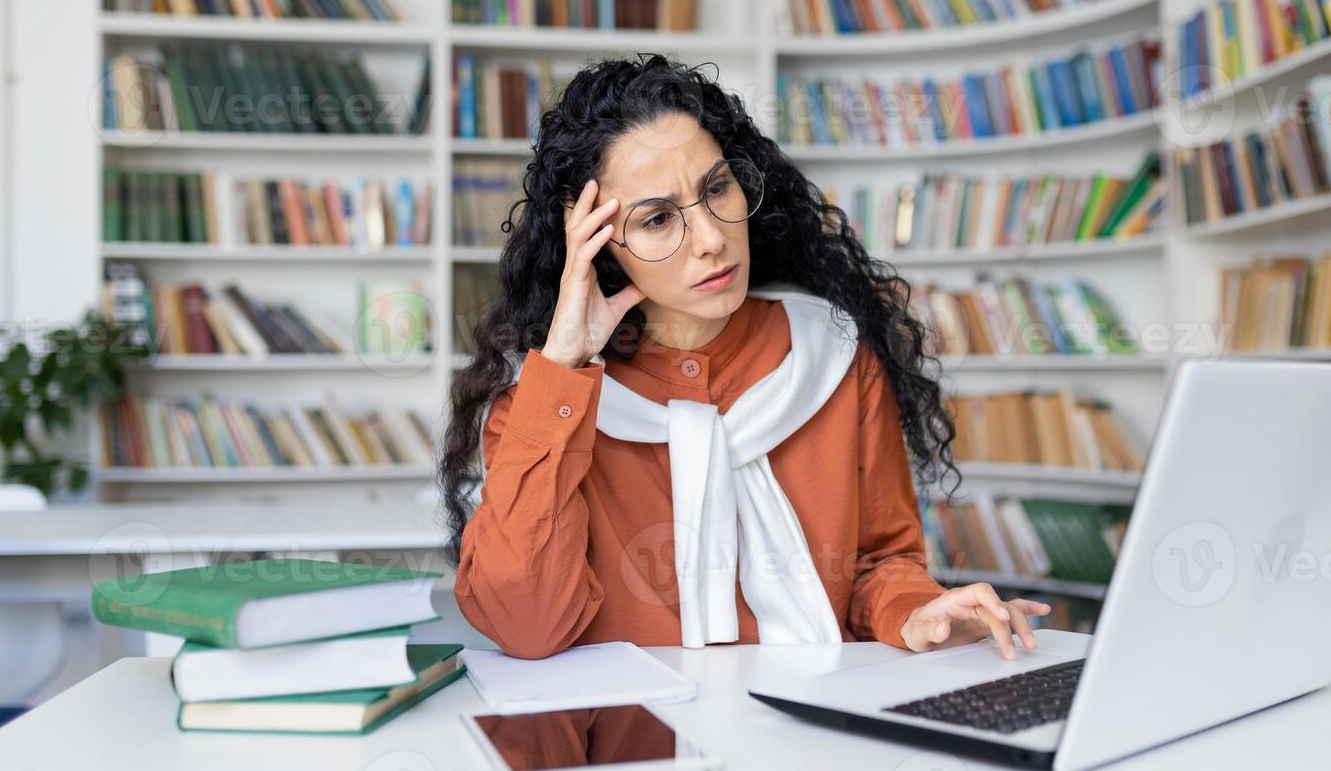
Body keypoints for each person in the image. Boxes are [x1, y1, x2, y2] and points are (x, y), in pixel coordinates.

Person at [439, 53, 1049, 660]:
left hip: (806, 727)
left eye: (716, 189)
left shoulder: (832, 355)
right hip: (627, 741)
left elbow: (879, 565)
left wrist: (916, 613)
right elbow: (525, 624)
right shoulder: (541, 401)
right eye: (655, 220)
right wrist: (566, 363)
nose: (711, 239)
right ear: (598, 249)